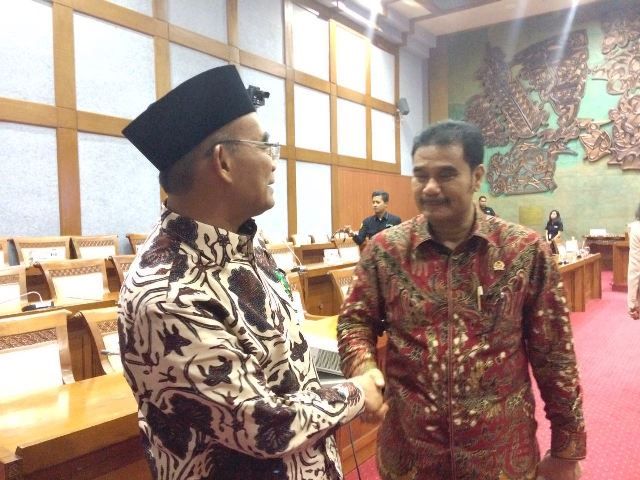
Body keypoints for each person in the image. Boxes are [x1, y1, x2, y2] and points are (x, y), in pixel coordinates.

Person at [118, 65, 386, 480]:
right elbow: (263, 427)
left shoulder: (248, 244)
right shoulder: (166, 292)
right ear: (224, 162)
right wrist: (357, 392)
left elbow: (280, 360)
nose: (274, 163)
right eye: (264, 146)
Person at [337, 120, 586, 479]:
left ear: (476, 176)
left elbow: (556, 355)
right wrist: (363, 368)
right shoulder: (385, 251)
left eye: (446, 174)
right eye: (420, 175)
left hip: (501, 458)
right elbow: (354, 321)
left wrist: (567, 449)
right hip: (411, 457)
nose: (430, 187)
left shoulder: (524, 251)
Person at [628, 203, 640, 320]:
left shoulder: (633, 227)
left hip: (635, 262)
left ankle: (633, 307)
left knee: (633, 278)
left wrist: (632, 304)